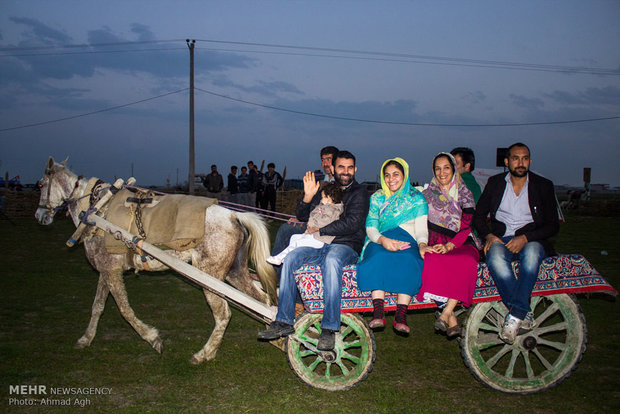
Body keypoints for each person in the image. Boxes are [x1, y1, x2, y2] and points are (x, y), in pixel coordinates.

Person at [258, 151, 369, 351]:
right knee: (291, 257)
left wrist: (321, 229)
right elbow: (303, 216)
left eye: (350, 167)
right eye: (341, 167)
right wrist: (307, 198)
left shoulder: (359, 192)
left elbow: (352, 223)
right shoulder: (325, 189)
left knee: (332, 259)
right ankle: (283, 320)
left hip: (345, 245)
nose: (345, 172)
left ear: (355, 169)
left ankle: (329, 326)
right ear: (334, 169)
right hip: (318, 243)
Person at [473, 143, 559, 344]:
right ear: (507, 161)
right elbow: (478, 217)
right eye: (515, 158)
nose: (521, 163)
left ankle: (515, 314)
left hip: (531, 238)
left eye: (525, 158)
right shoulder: (495, 183)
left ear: (529, 160)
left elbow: (553, 226)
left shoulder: (543, 185)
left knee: (531, 256)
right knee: (494, 257)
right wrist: (488, 236)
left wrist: (526, 238)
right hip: (500, 238)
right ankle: (523, 312)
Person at [356, 157, 430, 335]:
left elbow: (421, 228)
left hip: (408, 240)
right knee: (377, 257)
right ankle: (379, 312)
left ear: (405, 175)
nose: (391, 179)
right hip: (380, 239)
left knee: (410, 259)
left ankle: (401, 315)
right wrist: (382, 240)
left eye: (396, 174)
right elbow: (371, 227)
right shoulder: (378, 198)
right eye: (387, 175)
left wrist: (422, 245)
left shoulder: (417, 198)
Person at [416, 153, 480, 338]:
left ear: (453, 169)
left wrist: (451, 245)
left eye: (446, 167)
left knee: (466, 262)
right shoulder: (427, 194)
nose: (442, 172)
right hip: (435, 241)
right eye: (437, 168)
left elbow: (467, 225)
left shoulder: (464, 192)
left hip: (461, 240)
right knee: (430, 260)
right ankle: (451, 318)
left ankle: (445, 313)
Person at [270, 146, 339, 277]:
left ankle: (274, 275)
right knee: (287, 227)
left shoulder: (340, 185)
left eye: (329, 159)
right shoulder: (319, 183)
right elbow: (302, 213)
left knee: (286, 230)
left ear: (337, 161)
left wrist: (313, 223)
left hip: (326, 230)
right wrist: (306, 201)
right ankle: (276, 273)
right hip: (311, 224)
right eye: (323, 160)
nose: (325, 163)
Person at [267, 183, 343, 265]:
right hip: (313, 234)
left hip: (320, 239)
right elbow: (313, 214)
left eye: (323, 197)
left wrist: (313, 223)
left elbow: (324, 222)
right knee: (294, 237)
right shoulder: (323, 207)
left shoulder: (333, 210)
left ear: (329, 198)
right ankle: (285, 257)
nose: (321, 199)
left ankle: (279, 258)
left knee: (297, 243)